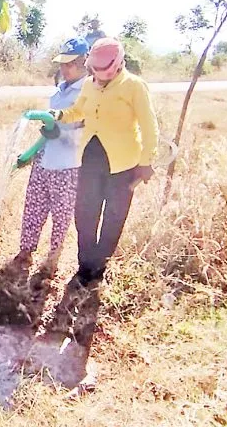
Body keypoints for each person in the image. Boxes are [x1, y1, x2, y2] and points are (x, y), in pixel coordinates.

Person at [42, 37, 159, 286]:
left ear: (118, 64)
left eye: (105, 71)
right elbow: (78, 111)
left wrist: (146, 161)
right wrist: (59, 115)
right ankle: (85, 267)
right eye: (96, 70)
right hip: (90, 158)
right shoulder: (88, 85)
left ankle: (98, 268)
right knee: (84, 214)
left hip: (123, 163)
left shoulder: (134, 86)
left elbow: (150, 127)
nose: (100, 76)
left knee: (113, 217)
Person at [8, 37, 90, 279]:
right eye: (62, 64)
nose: (64, 69)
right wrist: (33, 152)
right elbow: (49, 125)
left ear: (83, 62)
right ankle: (25, 251)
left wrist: (60, 131)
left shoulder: (87, 92)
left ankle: (52, 260)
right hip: (45, 159)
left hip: (68, 163)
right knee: (34, 207)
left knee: (61, 215)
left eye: (69, 64)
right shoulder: (58, 91)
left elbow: (85, 129)